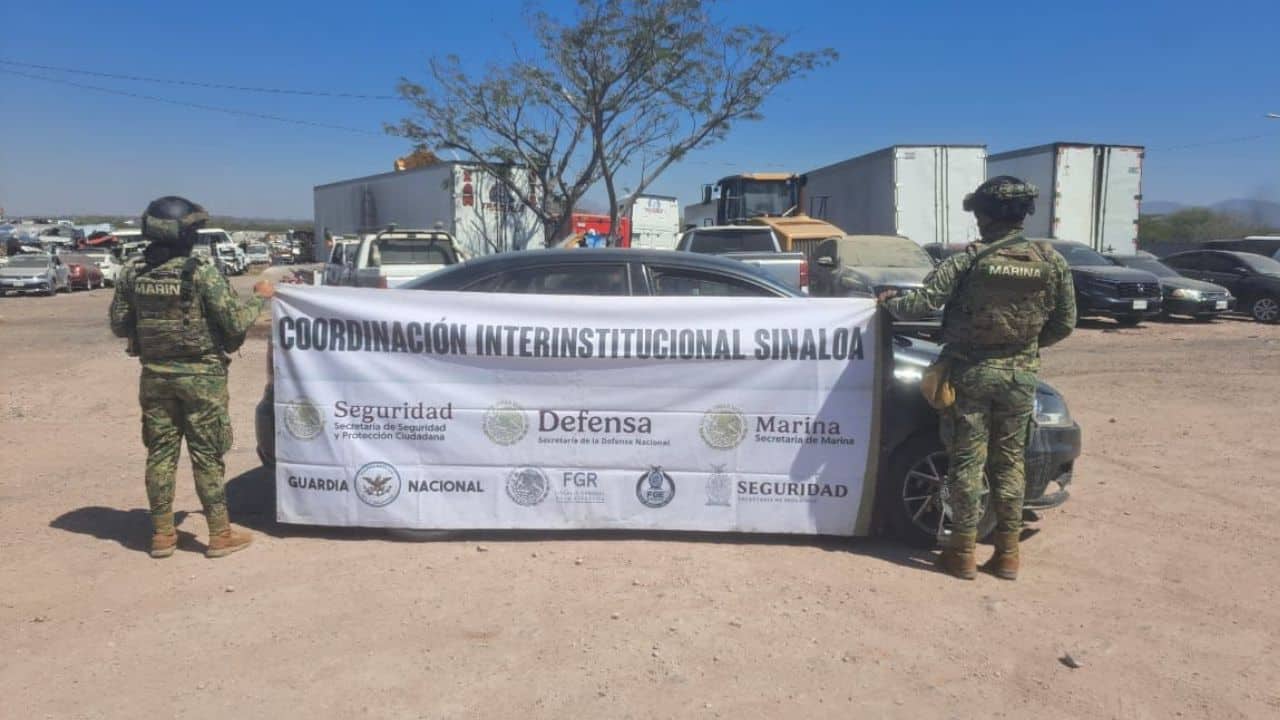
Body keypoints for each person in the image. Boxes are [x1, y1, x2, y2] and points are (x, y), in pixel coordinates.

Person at [880, 176, 1076, 581]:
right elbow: (1065, 323)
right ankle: (1007, 556)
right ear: (1024, 214)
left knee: (967, 463)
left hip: (970, 375)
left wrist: (888, 303)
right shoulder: (1050, 261)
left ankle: (962, 553)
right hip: (1019, 377)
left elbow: (922, 303)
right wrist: (1024, 348)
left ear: (984, 215)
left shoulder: (969, 259)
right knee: (1010, 464)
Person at [109, 196, 275, 559]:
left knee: (160, 453)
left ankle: (162, 534)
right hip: (203, 379)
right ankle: (219, 535)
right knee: (207, 454)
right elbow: (234, 324)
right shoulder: (201, 273)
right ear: (185, 235)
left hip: (155, 377)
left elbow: (119, 325)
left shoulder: (132, 273)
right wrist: (259, 298)